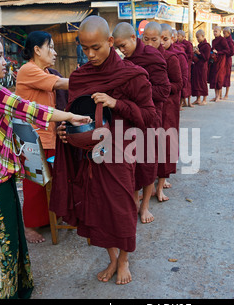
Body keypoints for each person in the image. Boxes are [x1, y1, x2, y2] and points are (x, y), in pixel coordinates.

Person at [0, 30, 91, 299]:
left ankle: (14, 288)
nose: (5, 62)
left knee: (5, 237)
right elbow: (28, 108)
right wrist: (71, 115)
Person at [51, 16, 156, 285]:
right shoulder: (79, 76)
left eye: (95, 47)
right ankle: (111, 258)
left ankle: (123, 259)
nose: (89, 55)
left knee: (121, 209)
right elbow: (75, 115)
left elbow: (150, 117)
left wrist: (116, 103)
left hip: (120, 153)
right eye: (84, 48)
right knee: (96, 209)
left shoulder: (132, 75)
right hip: (89, 156)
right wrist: (65, 132)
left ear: (110, 42)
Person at [112, 22, 171, 224]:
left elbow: (164, 91)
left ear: (132, 38)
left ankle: (145, 206)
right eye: (118, 48)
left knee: (147, 163)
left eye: (123, 45)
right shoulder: (123, 60)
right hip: (128, 118)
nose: (121, 50)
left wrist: (136, 94)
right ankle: (135, 201)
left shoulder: (152, 57)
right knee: (132, 162)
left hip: (149, 118)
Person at [15, 31, 69, 243]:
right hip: (32, 138)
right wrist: (88, 80)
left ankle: (48, 218)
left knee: (50, 180)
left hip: (48, 136)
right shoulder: (28, 70)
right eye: (51, 47)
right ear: (37, 50)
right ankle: (29, 226)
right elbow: (59, 84)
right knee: (35, 184)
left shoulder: (45, 71)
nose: (54, 52)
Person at [156, 23, 184, 200]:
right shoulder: (147, 57)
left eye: (163, 39)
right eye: (149, 39)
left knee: (165, 144)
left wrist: (162, 87)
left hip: (168, 107)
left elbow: (179, 84)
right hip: (152, 107)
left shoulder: (173, 58)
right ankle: (151, 184)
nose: (159, 42)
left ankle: (160, 185)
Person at [208, 25, 229, 102]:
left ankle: (218, 96)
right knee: (214, 78)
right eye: (214, 31)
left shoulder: (223, 40)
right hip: (214, 61)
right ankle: (215, 95)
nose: (215, 33)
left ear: (220, 32)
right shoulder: (213, 41)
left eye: (216, 31)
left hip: (221, 61)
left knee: (219, 78)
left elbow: (227, 50)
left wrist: (218, 52)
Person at [191, 29, 211, 105]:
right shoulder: (199, 45)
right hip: (197, 66)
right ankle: (198, 99)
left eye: (198, 37)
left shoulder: (207, 46)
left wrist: (198, 53)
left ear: (203, 36)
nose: (197, 39)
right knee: (197, 82)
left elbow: (206, 57)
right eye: (196, 37)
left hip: (203, 67)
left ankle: (204, 99)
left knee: (202, 82)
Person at [177, 30, 193, 108]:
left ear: (183, 37)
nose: (177, 37)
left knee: (187, 83)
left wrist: (182, 55)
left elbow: (190, 55)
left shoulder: (188, 44)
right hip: (180, 65)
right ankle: (183, 102)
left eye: (178, 36)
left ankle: (189, 102)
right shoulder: (176, 44)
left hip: (187, 65)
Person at [221, 27, 234, 100]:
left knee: (227, 76)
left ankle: (226, 94)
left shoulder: (230, 41)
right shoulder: (223, 40)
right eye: (223, 33)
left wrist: (224, 52)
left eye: (225, 33)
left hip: (227, 60)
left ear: (228, 33)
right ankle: (220, 95)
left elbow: (232, 52)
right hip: (222, 60)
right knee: (220, 76)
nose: (223, 35)